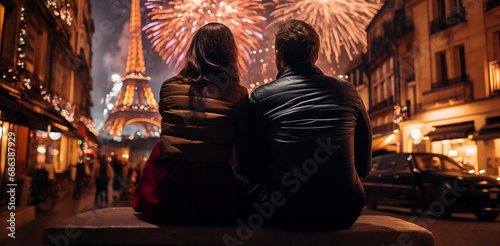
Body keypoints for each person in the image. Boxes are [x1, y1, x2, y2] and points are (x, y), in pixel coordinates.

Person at [240, 19, 372, 231]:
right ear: (316, 54)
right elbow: (363, 168)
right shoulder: (349, 93)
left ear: (278, 55)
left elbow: (251, 168)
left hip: (283, 212)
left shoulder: (261, 97)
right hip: (344, 211)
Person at [132, 23, 248, 225]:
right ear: (230, 53)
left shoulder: (168, 87)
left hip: (167, 191)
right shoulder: (238, 94)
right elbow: (244, 153)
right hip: (215, 192)